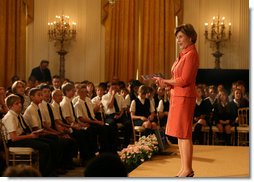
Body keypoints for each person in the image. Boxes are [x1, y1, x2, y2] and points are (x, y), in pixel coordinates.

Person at [153, 24, 199, 177]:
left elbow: (185, 79)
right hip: (178, 96)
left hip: (185, 97)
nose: (178, 40)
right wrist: (165, 84)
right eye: (177, 37)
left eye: (180, 37)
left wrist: (166, 81)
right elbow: (176, 79)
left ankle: (187, 169)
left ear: (190, 37)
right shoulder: (183, 54)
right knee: (180, 133)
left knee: (184, 133)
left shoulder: (191, 54)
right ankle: (185, 168)